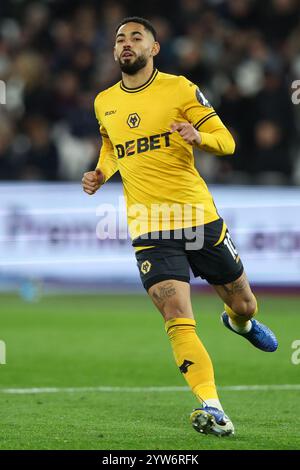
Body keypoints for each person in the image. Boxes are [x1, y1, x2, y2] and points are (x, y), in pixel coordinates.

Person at [82, 17, 278, 437]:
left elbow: (227, 141)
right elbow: (111, 145)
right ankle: (214, 407)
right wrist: (100, 172)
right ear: (114, 51)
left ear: (154, 48)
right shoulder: (104, 101)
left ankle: (239, 324)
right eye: (120, 39)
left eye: (136, 37)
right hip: (149, 227)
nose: (126, 44)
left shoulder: (180, 89)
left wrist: (198, 136)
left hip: (197, 218)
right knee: (175, 313)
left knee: (244, 303)